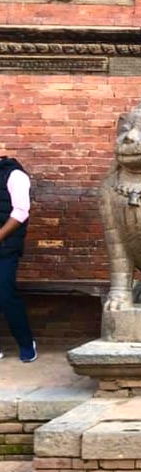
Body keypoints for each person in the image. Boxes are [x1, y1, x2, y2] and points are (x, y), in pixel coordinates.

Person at [0, 155, 37, 362]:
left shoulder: (15, 175)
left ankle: (26, 343)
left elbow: (21, 212)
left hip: (5, 246)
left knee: (5, 293)